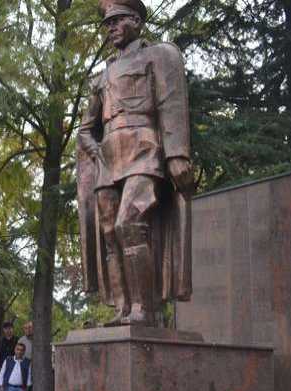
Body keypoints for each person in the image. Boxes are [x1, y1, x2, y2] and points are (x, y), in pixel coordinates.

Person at [76, 0, 192, 325]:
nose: (110, 28)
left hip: (144, 149)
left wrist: (177, 153)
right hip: (109, 159)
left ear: (136, 21)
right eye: (107, 23)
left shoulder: (159, 56)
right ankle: (123, 309)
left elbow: (171, 104)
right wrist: (98, 152)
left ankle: (147, 309)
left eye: (116, 20)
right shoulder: (103, 75)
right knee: (111, 234)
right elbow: (86, 129)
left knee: (131, 223)